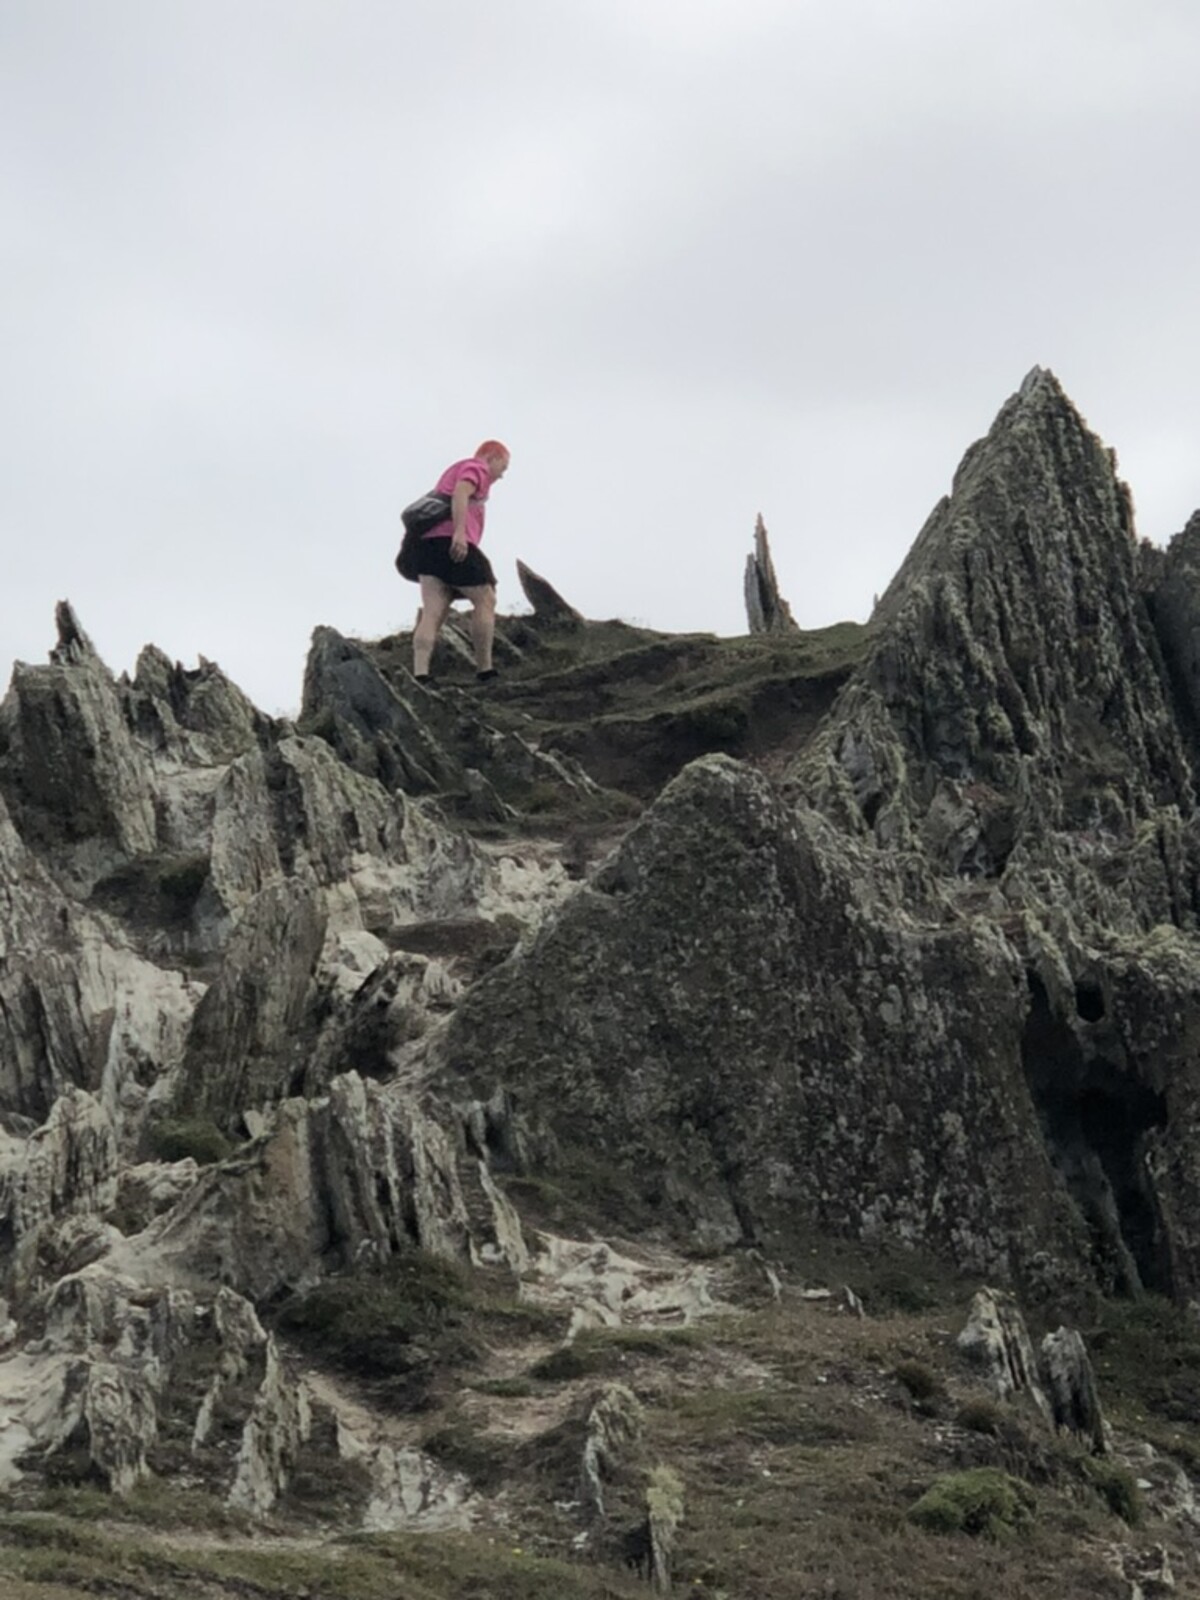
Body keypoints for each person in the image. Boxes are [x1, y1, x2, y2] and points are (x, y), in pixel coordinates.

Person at [411, 440, 510, 683]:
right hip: (450, 541)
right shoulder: (476, 467)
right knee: (486, 597)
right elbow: (461, 492)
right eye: (503, 467)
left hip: (426, 547)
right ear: (492, 456)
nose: (501, 475)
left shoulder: (452, 470)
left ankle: (420, 673)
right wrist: (459, 533)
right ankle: (485, 670)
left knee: (433, 611)